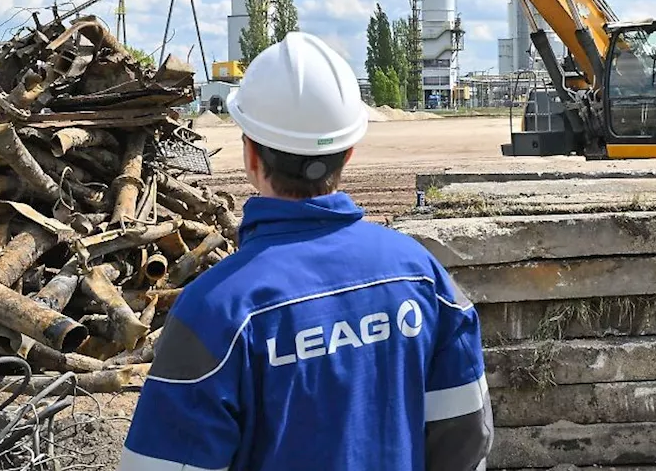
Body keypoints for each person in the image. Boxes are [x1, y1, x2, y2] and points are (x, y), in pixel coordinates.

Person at [118, 31, 493, 471]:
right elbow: (466, 436)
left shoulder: (217, 310)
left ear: (251, 157)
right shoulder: (422, 276)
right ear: (348, 152)